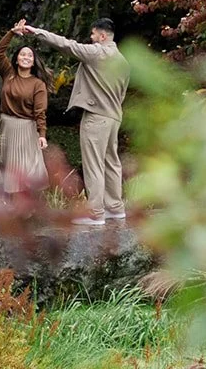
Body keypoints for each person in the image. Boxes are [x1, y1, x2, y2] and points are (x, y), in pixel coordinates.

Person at [15, 17, 129, 225]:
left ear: (102, 36)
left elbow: (66, 45)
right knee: (112, 162)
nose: (91, 38)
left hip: (96, 117)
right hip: (114, 117)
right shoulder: (123, 61)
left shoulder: (97, 53)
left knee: (93, 163)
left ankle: (95, 212)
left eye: (93, 35)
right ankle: (115, 207)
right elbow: (121, 94)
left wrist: (37, 32)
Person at [0, 23, 51, 193]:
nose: (26, 57)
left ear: (33, 62)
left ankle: (27, 207)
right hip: (7, 125)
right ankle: (10, 207)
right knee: (8, 167)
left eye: (30, 56)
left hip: (26, 127)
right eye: (22, 54)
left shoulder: (37, 84)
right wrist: (11, 33)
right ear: (17, 59)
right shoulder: (8, 74)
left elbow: (40, 111)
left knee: (27, 169)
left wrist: (42, 134)